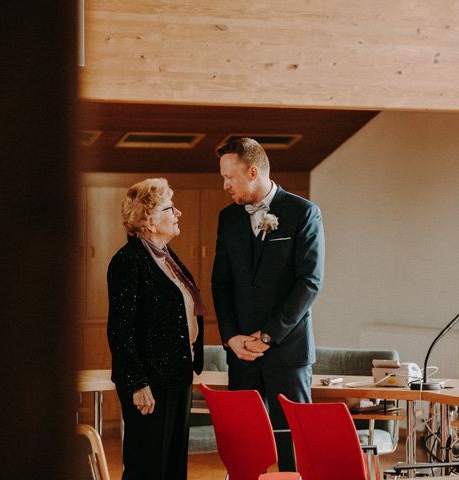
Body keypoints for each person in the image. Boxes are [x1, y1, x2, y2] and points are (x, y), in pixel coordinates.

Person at [211, 137, 325, 471]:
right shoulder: (228, 218)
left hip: (288, 353)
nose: (224, 184)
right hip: (242, 353)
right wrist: (232, 337)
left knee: (294, 449)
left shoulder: (303, 213)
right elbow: (221, 282)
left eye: (229, 176)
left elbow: (309, 282)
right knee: (243, 449)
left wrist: (268, 336)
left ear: (252, 172)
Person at [107, 178, 205, 480]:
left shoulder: (167, 257)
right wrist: (137, 383)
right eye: (169, 208)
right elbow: (120, 330)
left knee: (173, 466)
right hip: (148, 383)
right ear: (148, 221)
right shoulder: (129, 261)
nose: (177, 213)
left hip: (177, 374)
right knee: (147, 466)